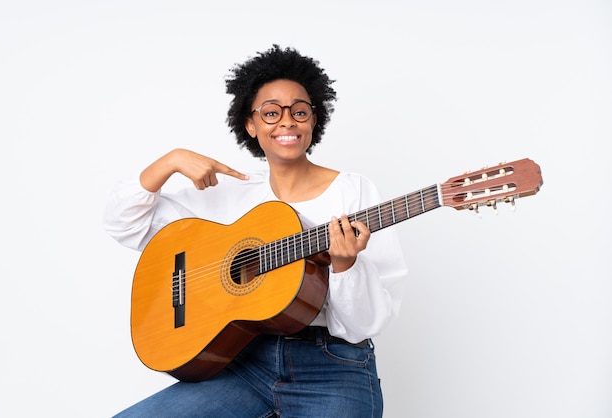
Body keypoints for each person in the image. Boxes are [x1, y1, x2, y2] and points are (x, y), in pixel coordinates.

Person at [103, 44, 408, 418]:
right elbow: (125, 224)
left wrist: (345, 266)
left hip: (333, 367)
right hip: (243, 363)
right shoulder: (232, 192)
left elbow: (363, 326)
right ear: (250, 124)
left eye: (299, 111)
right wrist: (170, 161)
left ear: (314, 119)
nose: (287, 121)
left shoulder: (354, 192)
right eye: (270, 112)